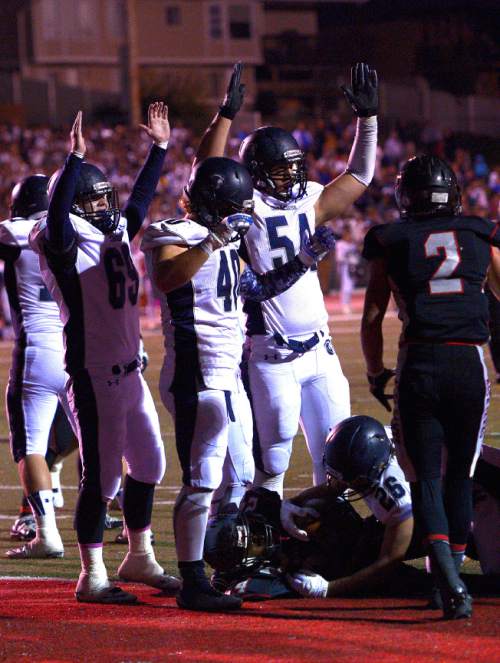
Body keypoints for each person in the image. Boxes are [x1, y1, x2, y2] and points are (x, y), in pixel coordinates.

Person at [141, 155, 336, 612]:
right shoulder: (176, 233)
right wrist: (212, 240)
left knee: (241, 477)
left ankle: (223, 567)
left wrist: (304, 261)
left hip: (228, 373)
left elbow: (257, 289)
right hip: (197, 373)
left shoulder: (226, 242)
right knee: (202, 478)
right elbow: (167, 277)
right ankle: (193, 581)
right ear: (214, 205)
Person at [193, 61, 378, 495]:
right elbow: (206, 171)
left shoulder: (310, 199)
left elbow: (359, 176)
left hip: (321, 349)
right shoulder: (243, 206)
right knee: (273, 461)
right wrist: (224, 116)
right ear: (254, 173)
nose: (293, 177)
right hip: (271, 354)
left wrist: (366, 120)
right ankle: (264, 545)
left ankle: (325, 545)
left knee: (336, 461)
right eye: (281, 170)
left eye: (295, 167)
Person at [29, 106, 180, 604]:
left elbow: (137, 203)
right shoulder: (61, 244)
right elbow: (55, 221)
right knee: (104, 478)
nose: (101, 207)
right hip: (93, 375)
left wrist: (159, 149)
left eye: (101, 199)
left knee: (151, 464)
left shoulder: (110, 234)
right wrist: (73, 161)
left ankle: (139, 556)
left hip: (130, 372)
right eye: (88, 201)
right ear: (71, 204)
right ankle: (91, 575)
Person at [360, 154, 500, 619]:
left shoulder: (391, 238)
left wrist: (376, 371)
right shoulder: (481, 233)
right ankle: (449, 582)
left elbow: (374, 315)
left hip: (420, 361)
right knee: (461, 475)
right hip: (467, 362)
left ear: (406, 196)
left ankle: (449, 584)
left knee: (427, 482)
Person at [204, 417, 500, 603]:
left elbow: (389, 559)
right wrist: (290, 505)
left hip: (488, 501)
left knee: (473, 585)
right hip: (451, 498)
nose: (340, 483)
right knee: (358, 538)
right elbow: (334, 487)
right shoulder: (376, 447)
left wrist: (328, 590)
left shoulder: (395, 492)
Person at [0, 175, 76, 560]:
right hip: (78, 350)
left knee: (30, 447)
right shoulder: (74, 229)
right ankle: (134, 537)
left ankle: (46, 532)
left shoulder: (14, 232)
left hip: (36, 352)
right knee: (95, 441)